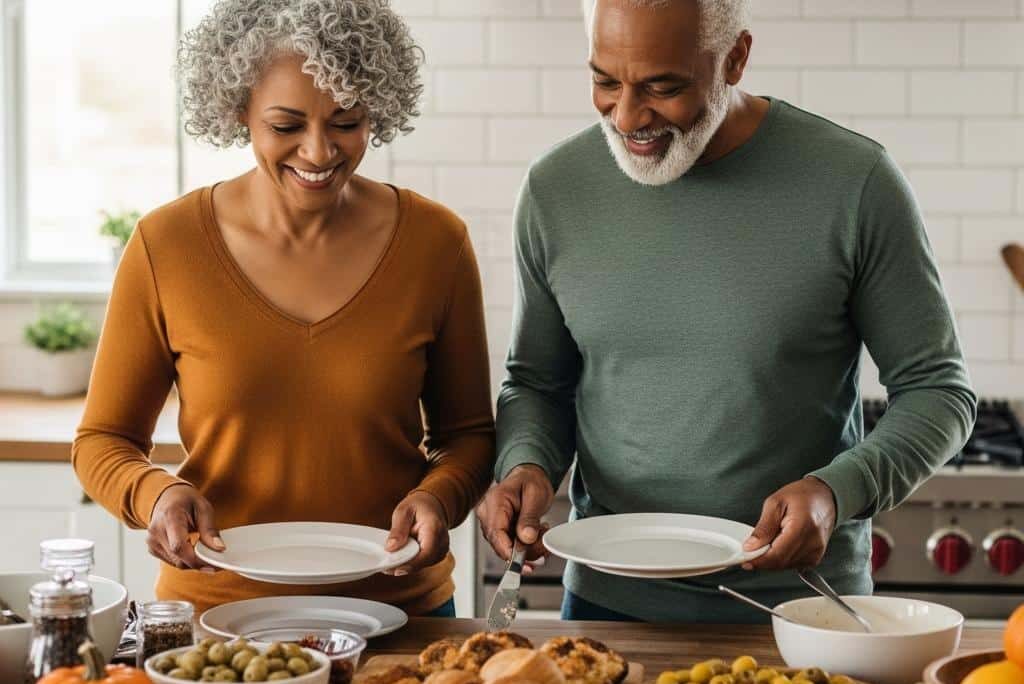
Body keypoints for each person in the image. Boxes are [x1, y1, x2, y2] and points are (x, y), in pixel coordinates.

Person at [476, 0, 977, 623]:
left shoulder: (855, 183)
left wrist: (835, 492)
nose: (627, 116)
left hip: (802, 609)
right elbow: (536, 383)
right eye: (605, 81)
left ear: (736, 57)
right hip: (607, 605)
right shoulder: (556, 188)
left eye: (664, 87)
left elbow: (938, 391)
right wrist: (525, 463)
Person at [73, 0, 495, 617]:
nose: (319, 152)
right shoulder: (167, 246)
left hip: (400, 611)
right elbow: (102, 440)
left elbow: (468, 437)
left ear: (376, 105)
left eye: (346, 121)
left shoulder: (437, 244)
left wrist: (442, 496)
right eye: (286, 125)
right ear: (238, 109)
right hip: (218, 618)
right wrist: (154, 493)